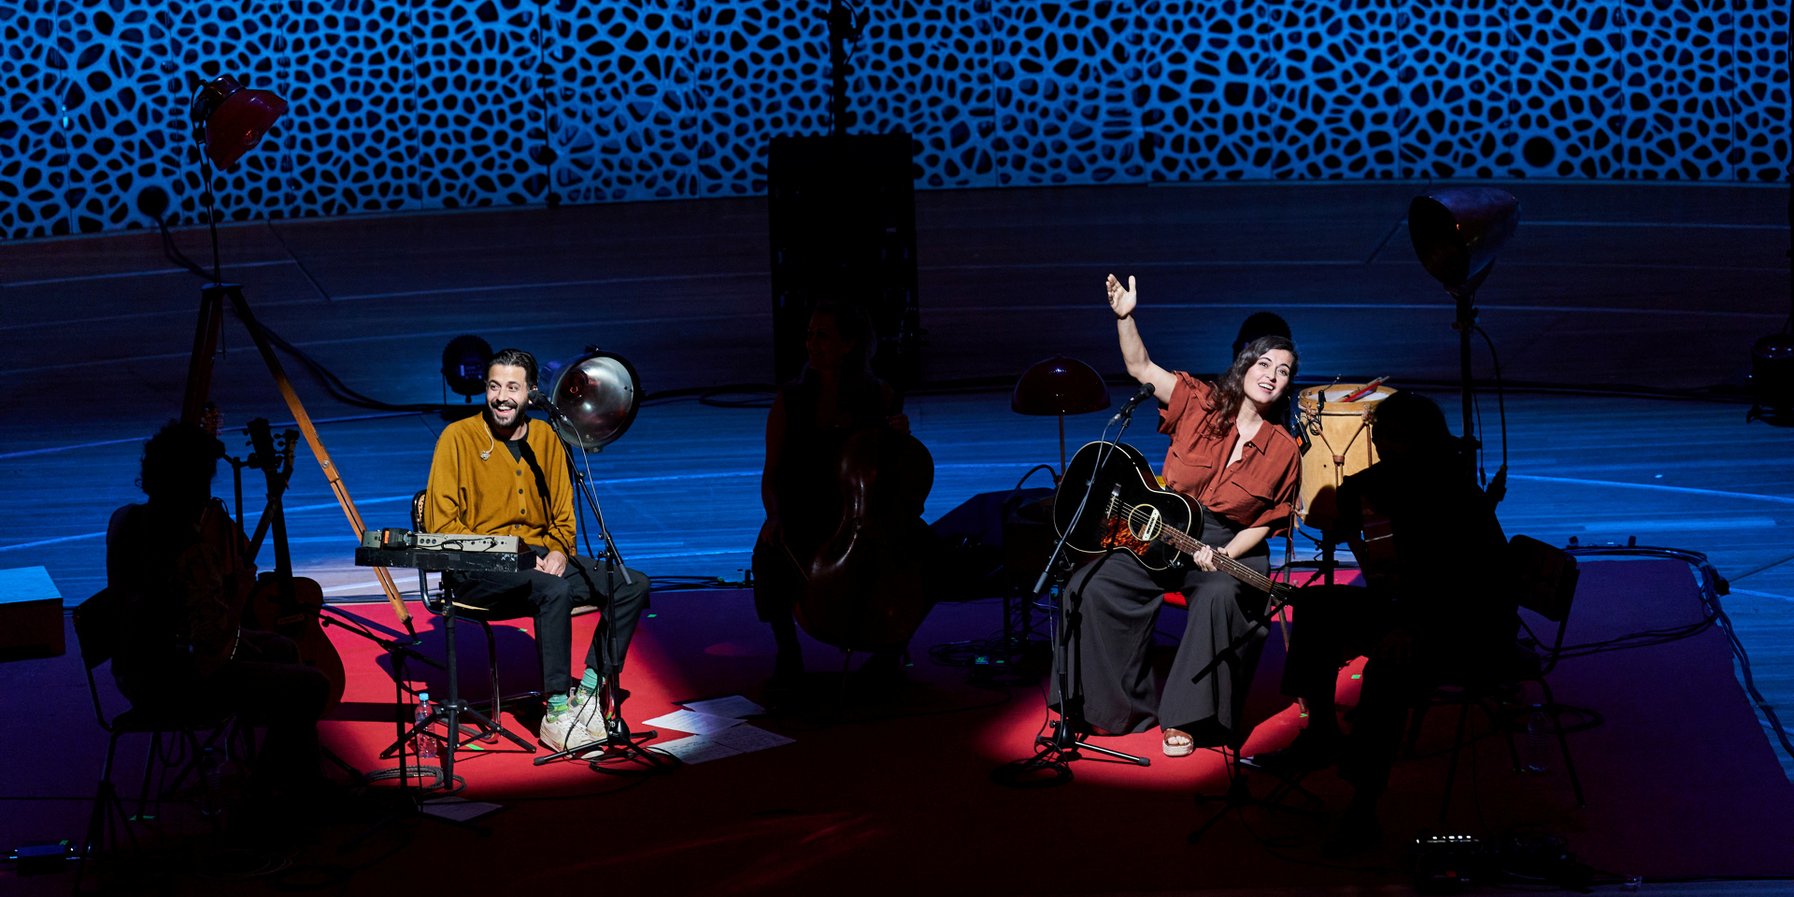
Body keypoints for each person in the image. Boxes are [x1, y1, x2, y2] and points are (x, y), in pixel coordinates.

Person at [1247, 390, 1516, 851]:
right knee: (1316, 607)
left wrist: (1409, 626)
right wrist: (1348, 507)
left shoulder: (1454, 494)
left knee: (1384, 672)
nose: (1388, 448)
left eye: (1399, 440)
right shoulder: (1385, 483)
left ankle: (1364, 803)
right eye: (1383, 438)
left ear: (1425, 441)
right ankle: (1322, 734)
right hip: (1408, 607)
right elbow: (1384, 564)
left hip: (1463, 622)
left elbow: (1463, 582)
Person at [1062, 274, 1302, 757]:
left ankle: (1188, 720)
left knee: (1217, 596)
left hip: (1231, 544)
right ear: (1244, 363)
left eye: (1284, 370)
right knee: (1091, 585)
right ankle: (1116, 710)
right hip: (1165, 529)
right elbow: (1140, 366)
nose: (1272, 375)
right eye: (1264, 363)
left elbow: (1266, 521)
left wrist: (1224, 553)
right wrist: (1125, 318)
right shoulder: (1199, 400)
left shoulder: (1284, 449)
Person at [423, 348, 651, 752]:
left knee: (631, 585)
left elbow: (564, 520)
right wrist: (516, 553)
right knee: (553, 590)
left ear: (531, 393)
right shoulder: (457, 438)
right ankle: (556, 711)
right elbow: (440, 527)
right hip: (477, 570)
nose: (501, 396)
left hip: (539, 562)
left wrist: (562, 551)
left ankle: (589, 694)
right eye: (494, 386)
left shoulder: (547, 438)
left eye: (513, 387)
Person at [106, 421, 331, 802]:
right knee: (313, 685)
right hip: (176, 681)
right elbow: (212, 649)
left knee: (281, 648)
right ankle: (260, 797)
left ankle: (301, 785)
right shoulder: (190, 550)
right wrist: (241, 592)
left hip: (135, 666)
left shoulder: (125, 520)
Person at [754, 302, 912, 688]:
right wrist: (774, 515)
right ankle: (788, 654)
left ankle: (890, 650)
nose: (811, 343)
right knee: (769, 552)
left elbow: (895, 472)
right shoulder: (790, 399)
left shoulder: (881, 395)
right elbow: (771, 473)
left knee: (917, 553)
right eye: (809, 334)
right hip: (805, 509)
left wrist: (900, 439)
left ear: (849, 343)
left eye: (822, 335)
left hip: (860, 512)